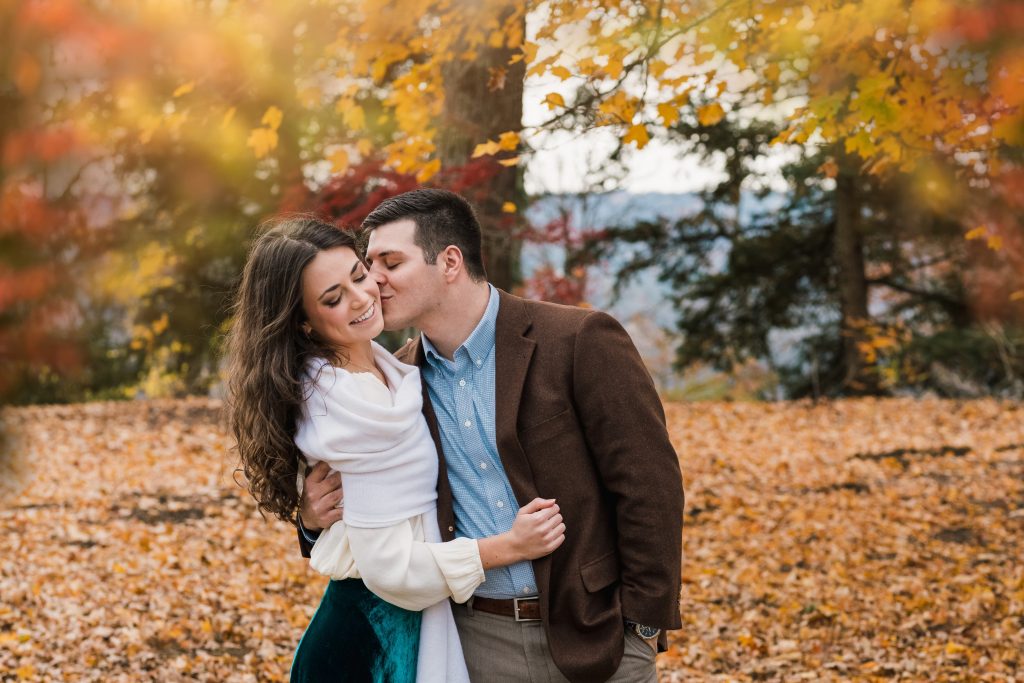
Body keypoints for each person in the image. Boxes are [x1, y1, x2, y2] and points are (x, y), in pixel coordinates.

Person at [299, 189, 684, 683]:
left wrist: (642, 626)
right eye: (367, 264)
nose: (373, 281)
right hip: (474, 642)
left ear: (451, 262)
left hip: (597, 632)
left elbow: (649, 485)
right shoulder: (394, 380)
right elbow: (377, 512)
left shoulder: (579, 340)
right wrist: (311, 520)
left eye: (389, 262)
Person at [225, 217, 566, 683]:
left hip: (411, 624)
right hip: (376, 645)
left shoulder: (390, 370)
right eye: (333, 298)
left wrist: (309, 519)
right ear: (303, 322)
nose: (362, 297)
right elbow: (391, 568)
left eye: (359, 275)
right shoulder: (348, 406)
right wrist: (508, 547)